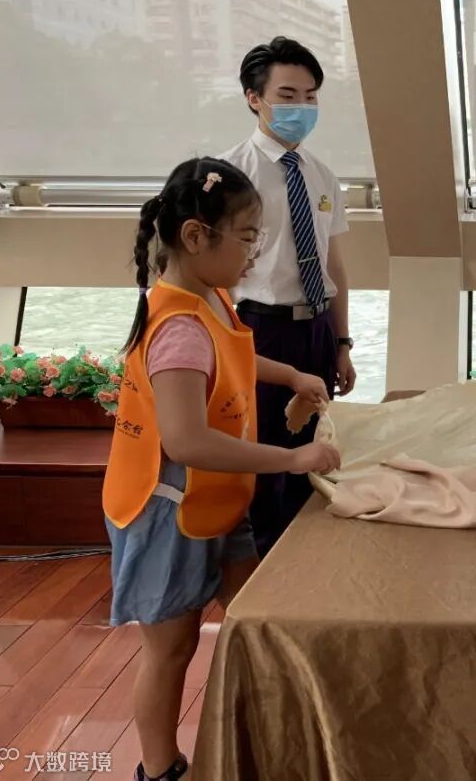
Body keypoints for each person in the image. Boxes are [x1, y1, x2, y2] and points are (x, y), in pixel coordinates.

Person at [102, 158, 340, 781]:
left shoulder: (208, 298)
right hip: (168, 510)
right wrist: (292, 458)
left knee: (251, 616)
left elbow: (232, 356)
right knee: (171, 649)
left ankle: (262, 741)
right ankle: (160, 768)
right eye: (247, 238)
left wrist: (291, 374)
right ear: (195, 236)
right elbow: (186, 442)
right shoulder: (177, 326)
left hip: (218, 499)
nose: (254, 255)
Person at [220, 36, 353, 556]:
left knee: (314, 448)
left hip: (316, 328)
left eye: (311, 96)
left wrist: (341, 341)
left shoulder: (321, 174)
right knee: (263, 453)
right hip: (259, 329)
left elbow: (333, 265)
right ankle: (262, 564)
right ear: (254, 98)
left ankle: (305, 558)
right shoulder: (230, 175)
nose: (302, 107)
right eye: (288, 95)